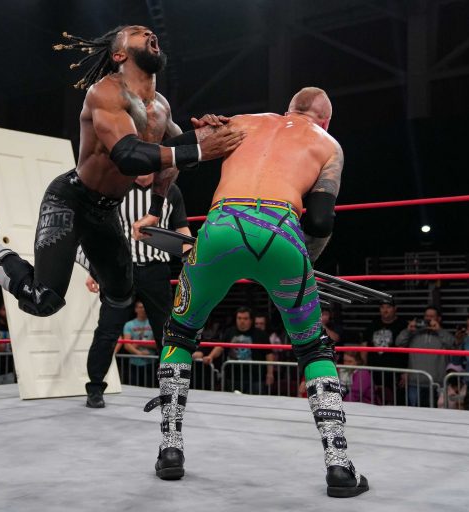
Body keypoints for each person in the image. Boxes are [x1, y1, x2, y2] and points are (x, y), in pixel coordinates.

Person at [137, 87, 368, 496]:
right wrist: (304, 264)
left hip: (220, 229)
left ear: (288, 109)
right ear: (326, 121)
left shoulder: (242, 122)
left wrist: (156, 208)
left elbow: (173, 151)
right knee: (313, 348)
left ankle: (170, 450)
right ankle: (339, 467)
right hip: (281, 233)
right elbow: (319, 220)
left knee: (179, 334)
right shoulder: (329, 144)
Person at [0, 25, 243, 322]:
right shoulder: (106, 93)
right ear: (119, 54)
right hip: (71, 200)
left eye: (150, 31)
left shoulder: (161, 106)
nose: (149, 33)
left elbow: (175, 158)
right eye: (137, 31)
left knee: (121, 295)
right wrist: (199, 150)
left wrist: (205, 135)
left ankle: (81, 252)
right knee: (43, 299)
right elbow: (128, 155)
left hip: (106, 211)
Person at [82, 173, 190, 408]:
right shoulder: (116, 187)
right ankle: (95, 388)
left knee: (166, 332)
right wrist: (94, 268)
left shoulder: (170, 190)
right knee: (107, 330)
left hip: (156, 269)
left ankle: (171, 390)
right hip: (120, 269)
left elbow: (182, 227)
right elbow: (102, 231)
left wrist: (191, 257)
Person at [395, 306, 455, 407]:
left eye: (432, 316)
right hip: (415, 383)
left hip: (437, 384)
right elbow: (399, 342)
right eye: (426, 316)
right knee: (415, 412)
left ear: (439, 319)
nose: (428, 319)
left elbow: (452, 345)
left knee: (437, 413)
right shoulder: (414, 333)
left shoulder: (443, 334)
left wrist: (439, 330)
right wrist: (408, 330)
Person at [361, 299, 408, 405]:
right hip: (374, 371)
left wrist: (406, 371)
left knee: (395, 403)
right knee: (374, 401)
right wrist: (365, 366)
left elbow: (408, 350)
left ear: (395, 309)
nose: (385, 310)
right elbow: (364, 346)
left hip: (395, 373)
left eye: (388, 307)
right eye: (382, 307)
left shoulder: (403, 325)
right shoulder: (373, 324)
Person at [121, 301, 157, 388]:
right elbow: (127, 345)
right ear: (136, 309)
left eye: (144, 307)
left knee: (150, 389)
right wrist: (140, 353)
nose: (142, 309)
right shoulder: (129, 324)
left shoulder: (154, 323)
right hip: (134, 363)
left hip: (151, 362)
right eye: (140, 307)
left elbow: (157, 344)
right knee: (134, 388)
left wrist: (137, 343)